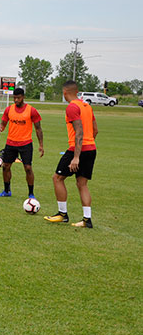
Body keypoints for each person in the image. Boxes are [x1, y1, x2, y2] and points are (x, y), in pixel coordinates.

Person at [44, 81, 98, 228]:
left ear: (65, 92)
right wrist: (88, 145)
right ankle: (87, 220)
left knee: (57, 178)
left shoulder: (72, 107)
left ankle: (62, 214)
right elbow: (95, 130)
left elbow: (79, 131)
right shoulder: (87, 106)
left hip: (77, 149)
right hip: (91, 148)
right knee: (82, 184)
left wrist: (76, 156)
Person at [0, 88, 44, 198]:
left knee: (28, 168)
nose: (16, 100)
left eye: (18, 98)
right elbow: (3, 124)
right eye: (14, 98)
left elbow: (38, 129)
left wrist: (41, 145)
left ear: (23, 97)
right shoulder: (9, 110)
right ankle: (7, 191)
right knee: (5, 166)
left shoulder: (31, 110)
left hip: (25, 144)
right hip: (11, 143)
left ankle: (31, 193)